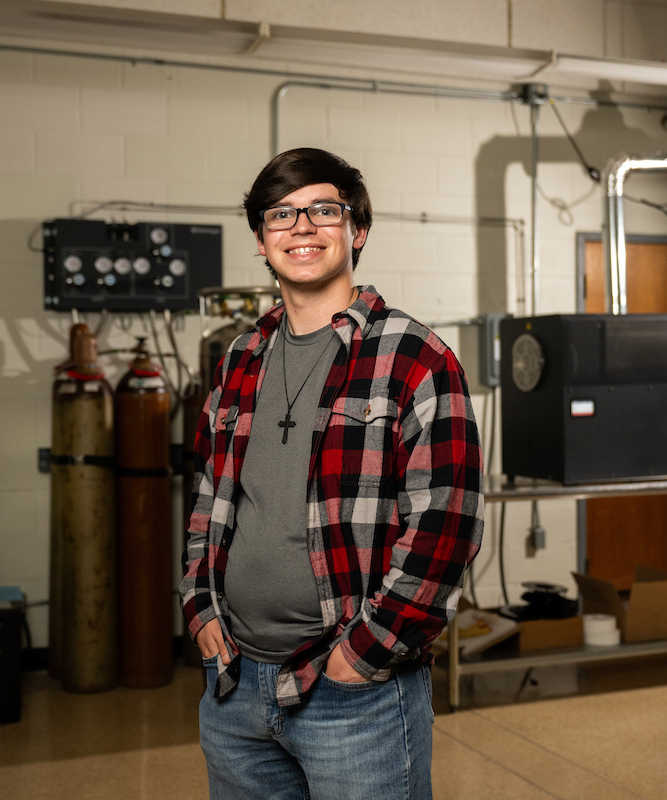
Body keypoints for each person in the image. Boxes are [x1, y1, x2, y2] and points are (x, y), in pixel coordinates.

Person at [180, 147, 484, 800]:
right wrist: (199, 605)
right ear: (262, 241)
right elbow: (213, 495)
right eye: (281, 215)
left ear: (358, 230)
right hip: (234, 686)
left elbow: (447, 526)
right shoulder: (242, 357)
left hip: (354, 696)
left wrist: (365, 653)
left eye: (324, 209)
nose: (302, 227)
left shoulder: (415, 357)